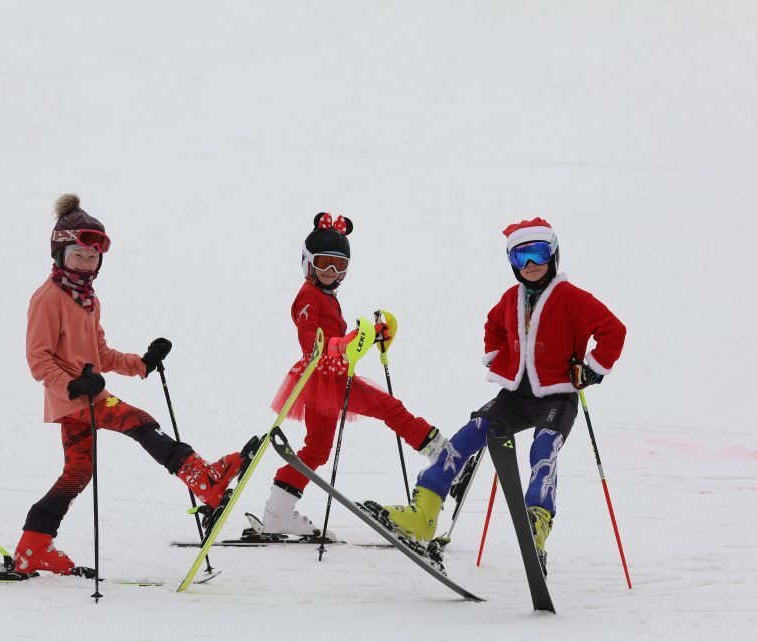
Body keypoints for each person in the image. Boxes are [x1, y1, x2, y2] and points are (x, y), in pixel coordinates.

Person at [12, 194, 244, 574]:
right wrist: (72, 386)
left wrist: (144, 364)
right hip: (73, 398)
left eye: (92, 258)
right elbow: (38, 358)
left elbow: (99, 353)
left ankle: (32, 548)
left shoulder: (87, 299)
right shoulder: (48, 298)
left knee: (76, 475)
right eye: (78, 256)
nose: (85, 264)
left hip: (85, 395)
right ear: (59, 255)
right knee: (137, 420)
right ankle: (203, 479)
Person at [378, 217, 626, 570]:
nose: (530, 266)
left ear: (553, 255)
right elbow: (493, 324)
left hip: (557, 396)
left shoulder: (573, 298)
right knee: (465, 438)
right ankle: (424, 514)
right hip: (515, 396)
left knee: (545, 448)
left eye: (538, 254)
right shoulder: (512, 298)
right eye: (521, 257)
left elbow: (613, 330)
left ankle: (536, 522)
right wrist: (498, 357)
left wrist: (592, 368)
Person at [255, 212, 451, 539]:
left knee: (316, 449)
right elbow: (311, 341)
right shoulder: (308, 296)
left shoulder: (327, 296)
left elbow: (343, 343)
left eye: (339, 265)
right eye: (324, 264)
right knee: (389, 408)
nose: (331, 273)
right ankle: (442, 453)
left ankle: (277, 512)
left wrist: (372, 335)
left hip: (328, 378)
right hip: (324, 379)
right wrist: (348, 342)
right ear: (307, 263)